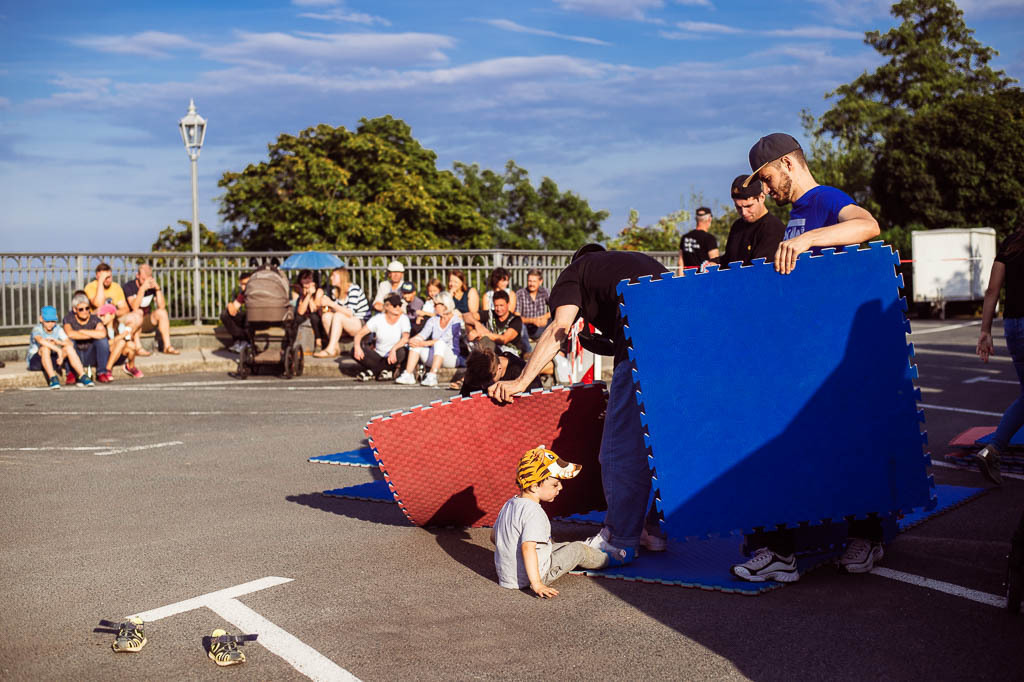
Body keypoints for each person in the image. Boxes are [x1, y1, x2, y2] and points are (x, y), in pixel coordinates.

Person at [729, 132, 882, 583]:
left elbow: (868, 225)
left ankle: (866, 536)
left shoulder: (822, 200)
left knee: (843, 446)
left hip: (831, 357)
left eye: (767, 178)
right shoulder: (795, 213)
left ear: (788, 165)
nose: (763, 189)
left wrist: (810, 239)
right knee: (786, 448)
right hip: (799, 356)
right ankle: (779, 549)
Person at [489, 244, 670, 565]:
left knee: (618, 449)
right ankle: (653, 530)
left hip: (645, 338)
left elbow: (559, 328)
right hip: (685, 334)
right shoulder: (623, 266)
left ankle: (620, 538)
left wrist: (520, 382)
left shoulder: (577, 272)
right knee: (656, 443)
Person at [491, 446, 610, 598]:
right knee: (578, 550)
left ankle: (596, 552)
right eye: (555, 484)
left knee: (564, 546)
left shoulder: (509, 504)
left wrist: (511, 556)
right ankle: (610, 559)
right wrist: (537, 583)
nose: (560, 487)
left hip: (507, 576)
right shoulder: (534, 512)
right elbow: (528, 548)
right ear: (534, 486)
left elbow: (494, 537)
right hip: (529, 578)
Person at [975, 227, 1024, 486]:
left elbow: (992, 290)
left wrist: (985, 330)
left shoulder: (1011, 243)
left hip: (1014, 326)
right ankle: (994, 448)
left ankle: (993, 449)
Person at [718, 176, 786, 268]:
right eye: (738, 207)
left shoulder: (773, 228)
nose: (744, 213)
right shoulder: (737, 226)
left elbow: (760, 269)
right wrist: (714, 263)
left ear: (762, 198)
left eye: (748, 206)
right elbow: (729, 260)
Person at [396, 292, 461, 387]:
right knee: (416, 344)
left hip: (451, 358)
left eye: (436, 305)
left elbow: (444, 339)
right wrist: (414, 340)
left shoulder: (456, 321)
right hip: (435, 355)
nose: (434, 307)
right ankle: (408, 374)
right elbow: (423, 334)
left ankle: (432, 375)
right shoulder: (433, 320)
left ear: (444, 305)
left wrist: (421, 343)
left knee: (439, 343)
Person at [26, 305, 92, 388]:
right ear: (41, 319)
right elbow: (41, 341)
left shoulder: (58, 329)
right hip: (36, 361)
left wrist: (58, 343)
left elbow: (69, 343)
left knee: (69, 348)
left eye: (53, 321)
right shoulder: (37, 329)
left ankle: (82, 375)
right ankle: (53, 378)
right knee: (45, 348)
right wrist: (58, 350)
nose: (50, 324)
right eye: (47, 321)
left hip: (52, 359)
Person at [351, 293, 410, 381]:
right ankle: (386, 371)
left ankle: (372, 372)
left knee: (403, 351)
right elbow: (359, 334)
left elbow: (405, 338)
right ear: (386, 307)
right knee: (354, 350)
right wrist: (357, 346)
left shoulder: (404, 318)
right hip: (379, 356)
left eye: (399, 305)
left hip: (395, 354)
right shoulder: (378, 319)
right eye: (394, 305)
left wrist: (393, 349)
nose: (398, 307)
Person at [123, 264, 178, 355]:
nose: (145, 282)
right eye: (143, 279)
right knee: (138, 312)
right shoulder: (129, 287)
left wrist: (157, 289)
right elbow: (134, 307)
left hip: (146, 321)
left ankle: (167, 347)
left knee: (162, 313)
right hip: (132, 322)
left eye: (147, 279)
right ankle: (138, 348)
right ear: (137, 276)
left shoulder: (151, 287)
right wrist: (142, 289)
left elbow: (162, 306)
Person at [315, 266, 369, 358]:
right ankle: (335, 348)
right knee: (326, 316)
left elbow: (350, 313)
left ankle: (330, 348)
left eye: (334, 276)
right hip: (346, 322)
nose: (331, 278)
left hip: (362, 323)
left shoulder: (353, 289)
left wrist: (331, 304)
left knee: (338, 316)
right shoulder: (335, 292)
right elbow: (336, 310)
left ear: (341, 277)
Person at [63, 292, 113, 383]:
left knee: (102, 341)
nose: (85, 311)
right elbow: (70, 334)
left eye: (87, 308)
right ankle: (70, 373)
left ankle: (101, 372)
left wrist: (82, 331)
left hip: (90, 354)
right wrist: (93, 334)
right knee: (69, 341)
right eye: (81, 309)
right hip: (76, 353)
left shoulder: (95, 319)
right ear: (75, 310)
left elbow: (102, 334)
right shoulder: (68, 318)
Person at [85, 263, 143, 339]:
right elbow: (99, 304)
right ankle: (118, 342)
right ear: (97, 276)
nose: (108, 280)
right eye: (104, 277)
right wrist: (100, 282)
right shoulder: (91, 287)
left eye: (109, 277)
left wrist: (112, 313)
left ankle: (125, 339)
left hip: (114, 319)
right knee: (100, 312)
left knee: (137, 315)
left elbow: (125, 309)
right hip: (97, 319)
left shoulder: (116, 287)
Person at [460, 346, 541, 397]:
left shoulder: (521, 372)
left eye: (488, 382)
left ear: (499, 368)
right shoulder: (476, 373)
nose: (484, 387)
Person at [469, 290, 523, 358]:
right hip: (492, 350)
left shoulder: (516, 319)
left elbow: (504, 339)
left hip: (510, 354)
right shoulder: (490, 314)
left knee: (485, 341)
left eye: (501, 305)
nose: (498, 309)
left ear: (508, 304)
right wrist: (475, 325)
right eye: (496, 305)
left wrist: (482, 334)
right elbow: (467, 316)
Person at [98, 303, 143, 379]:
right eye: (100, 316)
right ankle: (108, 369)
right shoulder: (101, 328)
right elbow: (105, 344)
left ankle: (130, 367)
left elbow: (126, 341)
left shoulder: (120, 326)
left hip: (119, 355)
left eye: (104, 315)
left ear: (112, 315)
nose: (101, 318)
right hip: (106, 355)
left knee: (131, 345)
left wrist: (128, 336)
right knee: (121, 342)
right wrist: (120, 337)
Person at [515, 269, 550, 351]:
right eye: (529, 281)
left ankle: (554, 351)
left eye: (534, 281)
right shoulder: (520, 293)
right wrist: (533, 320)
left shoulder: (544, 291)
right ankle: (528, 352)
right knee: (519, 324)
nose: (531, 284)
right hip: (526, 327)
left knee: (556, 319)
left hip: (541, 325)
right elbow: (516, 316)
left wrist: (545, 316)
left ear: (540, 281)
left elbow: (556, 307)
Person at [678, 207, 720, 273]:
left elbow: (680, 261)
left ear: (696, 219)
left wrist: (680, 278)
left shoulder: (685, 237)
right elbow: (715, 263)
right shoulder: (709, 238)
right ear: (709, 219)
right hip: (704, 278)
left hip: (688, 277)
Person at [293, 269, 326, 351]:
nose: (307, 281)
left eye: (309, 278)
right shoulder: (298, 291)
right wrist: (307, 295)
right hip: (304, 316)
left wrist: (311, 294)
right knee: (297, 318)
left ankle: (318, 342)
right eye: (305, 278)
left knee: (313, 317)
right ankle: (293, 342)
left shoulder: (319, 291)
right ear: (300, 281)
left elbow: (313, 309)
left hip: (316, 316)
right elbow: (300, 312)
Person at [221, 271, 252, 354]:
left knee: (249, 314)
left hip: (256, 318)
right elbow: (235, 306)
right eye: (241, 284)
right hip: (247, 318)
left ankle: (246, 342)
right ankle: (240, 340)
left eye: (245, 284)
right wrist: (230, 305)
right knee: (225, 314)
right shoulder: (243, 293)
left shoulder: (257, 292)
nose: (243, 287)